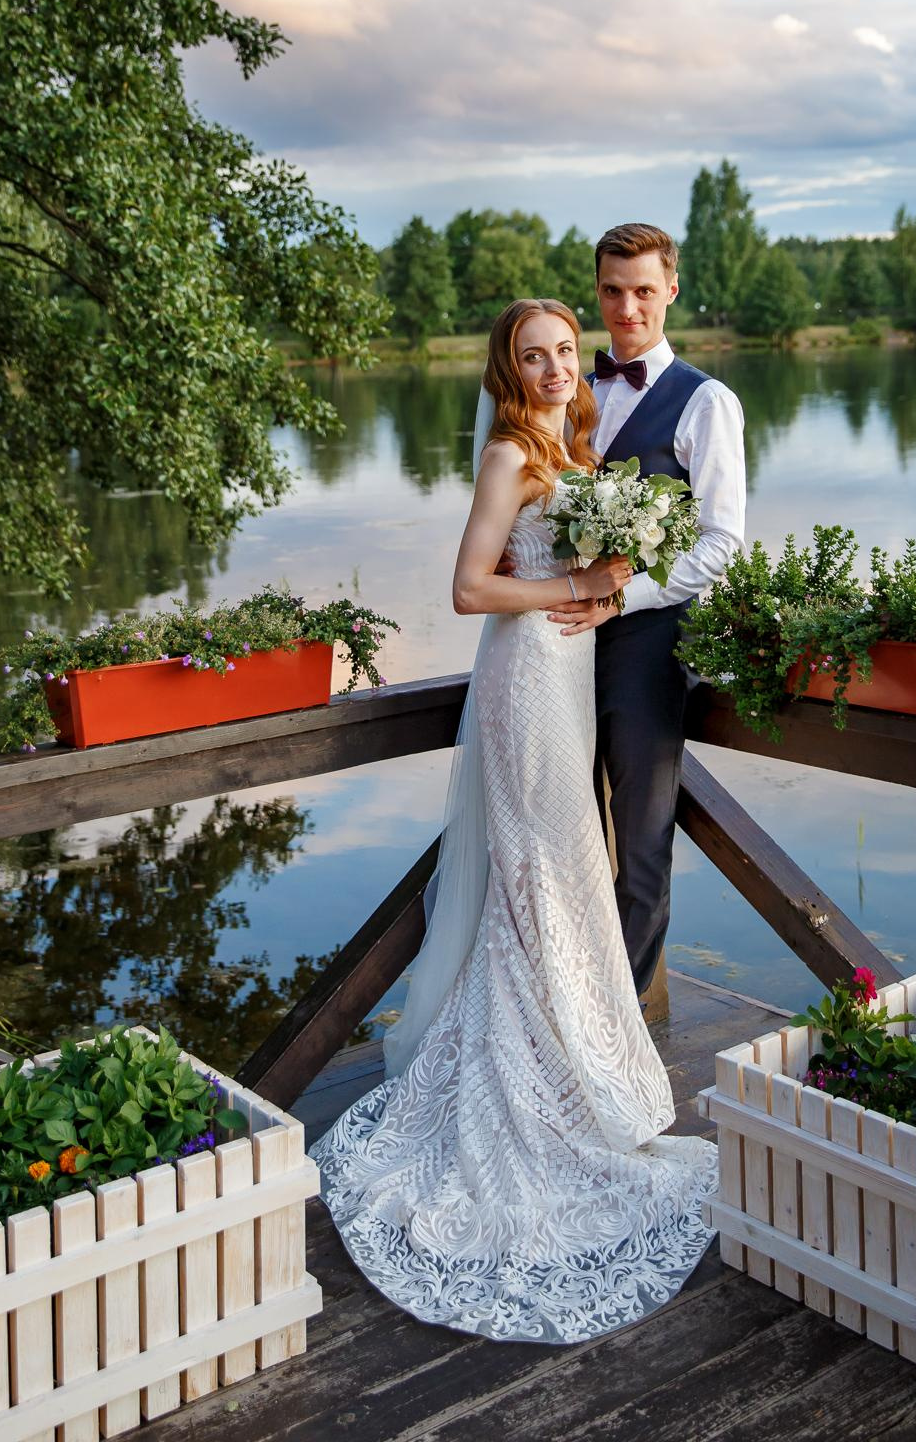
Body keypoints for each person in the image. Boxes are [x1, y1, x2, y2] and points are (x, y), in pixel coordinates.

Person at [310, 298, 716, 1344]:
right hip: (526, 679)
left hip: (568, 673)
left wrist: (615, 577)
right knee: (544, 869)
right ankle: (533, 1080)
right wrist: (573, 583)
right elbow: (465, 587)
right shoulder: (508, 457)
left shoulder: (572, 445)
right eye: (533, 356)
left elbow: (593, 572)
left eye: (564, 353)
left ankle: (566, 1056)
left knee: (561, 869)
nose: (552, 367)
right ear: (505, 367)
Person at [561, 223, 745, 1003]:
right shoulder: (568, 390)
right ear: (597, 292)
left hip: (648, 650)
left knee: (639, 851)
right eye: (612, 290)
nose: (627, 307)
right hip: (556, 648)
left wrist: (619, 597)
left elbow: (723, 545)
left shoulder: (706, 401)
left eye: (643, 290)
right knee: (553, 838)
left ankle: (624, 1034)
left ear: (670, 290)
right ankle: (561, 1006)